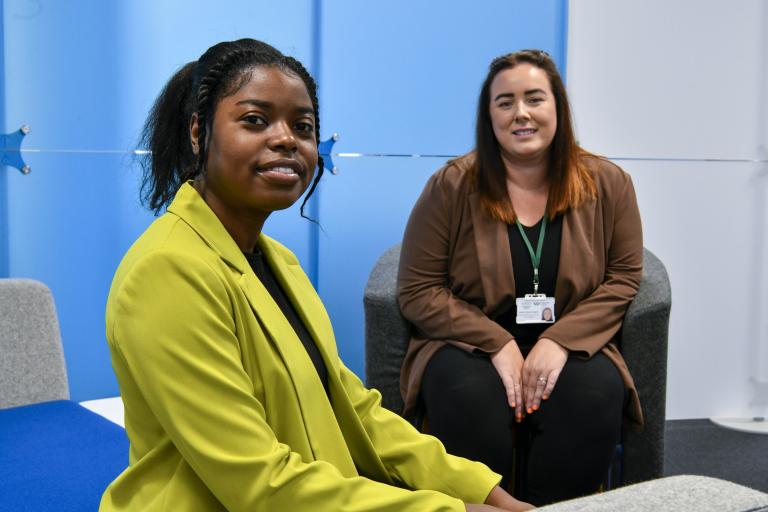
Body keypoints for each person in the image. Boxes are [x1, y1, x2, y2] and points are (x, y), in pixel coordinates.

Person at [100, 39, 532, 512]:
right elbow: (259, 484)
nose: (287, 139)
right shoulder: (166, 271)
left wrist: (481, 491)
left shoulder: (278, 262)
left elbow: (354, 411)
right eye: (255, 120)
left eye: (302, 127)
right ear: (198, 132)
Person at [397, 49, 644, 506]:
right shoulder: (451, 184)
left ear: (558, 108)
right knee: (466, 398)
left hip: (575, 347)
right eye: (504, 102)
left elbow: (625, 277)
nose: (521, 114)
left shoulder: (610, 183)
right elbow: (417, 288)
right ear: (488, 115)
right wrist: (496, 341)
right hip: (467, 345)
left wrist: (560, 339)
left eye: (534, 99)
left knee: (593, 396)